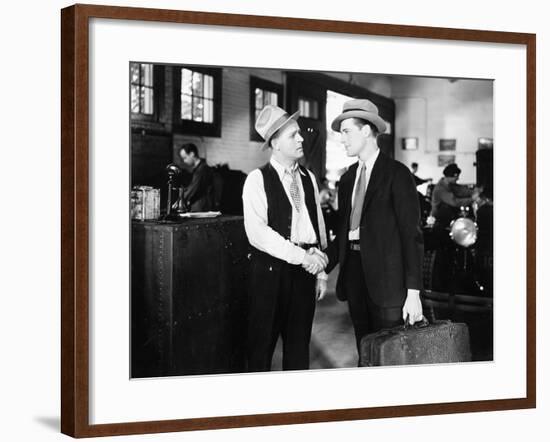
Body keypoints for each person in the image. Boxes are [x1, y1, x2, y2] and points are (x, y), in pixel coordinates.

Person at [326, 98, 424, 359]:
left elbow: (411, 236)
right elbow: (343, 231)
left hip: (389, 281)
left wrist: (413, 293)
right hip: (355, 274)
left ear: (366, 130)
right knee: (364, 349)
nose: (342, 139)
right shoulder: (347, 180)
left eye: (346, 132)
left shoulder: (397, 175)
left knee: (390, 354)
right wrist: (320, 265)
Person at [242, 104, 329, 372]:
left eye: (299, 133)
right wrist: (303, 257)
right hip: (270, 276)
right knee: (261, 350)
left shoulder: (308, 178)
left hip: (304, 277)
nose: (301, 138)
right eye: (293, 135)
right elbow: (258, 235)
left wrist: (321, 271)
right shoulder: (256, 180)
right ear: (276, 143)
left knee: (298, 350)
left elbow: (317, 225)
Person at [430, 163, 480, 228]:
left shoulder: (450, 185)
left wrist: (475, 191)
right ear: (450, 176)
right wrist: (472, 199)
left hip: (448, 216)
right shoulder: (440, 189)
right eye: (456, 177)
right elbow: (455, 202)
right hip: (440, 220)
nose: (458, 179)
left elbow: (461, 190)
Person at [178, 143, 215, 212]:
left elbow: (193, 188)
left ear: (192, 154)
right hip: (198, 207)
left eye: (185, 158)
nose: (184, 161)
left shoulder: (202, 170)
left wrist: (179, 201)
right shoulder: (199, 169)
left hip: (201, 209)